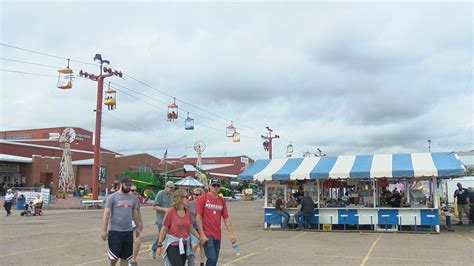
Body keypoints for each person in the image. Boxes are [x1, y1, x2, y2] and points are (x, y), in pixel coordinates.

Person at [100, 177, 143, 266]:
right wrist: (104, 230)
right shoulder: (112, 197)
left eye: (130, 185)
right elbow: (106, 213)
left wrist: (138, 227)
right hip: (115, 231)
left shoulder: (133, 198)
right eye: (127, 185)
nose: (128, 187)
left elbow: (135, 213)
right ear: (121, 184)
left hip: (128, 231)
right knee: (114, 257)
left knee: (125, 257)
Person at [196, 178, 236, 266]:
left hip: (217, 235)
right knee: (212, 258)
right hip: (207, 234)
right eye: (214, 185)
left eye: (218, 185)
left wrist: (231, 233)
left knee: (215, 260)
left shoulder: (221, 201)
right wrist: (202, 234)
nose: (216, 187)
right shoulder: (203, 199)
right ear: (209, 186)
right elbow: (198, 217)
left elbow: (226, 217)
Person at [156, 189, 200, 266]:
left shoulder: (188, 212)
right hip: (172, 244)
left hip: (184, 244)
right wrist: (159, 245)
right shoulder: (170, 212)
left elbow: (190, 228)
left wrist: (200, 237)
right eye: (186, 197)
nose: (188, 198)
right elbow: (164, 229)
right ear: (180, 198)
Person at [150, 181, 175, 258]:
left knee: (167, 235)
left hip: (169, 219)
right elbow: (154, 206)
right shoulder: (160, 194)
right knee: (163, 235)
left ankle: (158, 249)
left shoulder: (172, 195)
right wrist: (165, 209)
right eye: (170, 188)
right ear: (166, 186)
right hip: (161, 219)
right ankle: (154, 248)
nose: (171, 190)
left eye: (172, 188)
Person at [188, 187, 205, 266]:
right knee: (194, 245)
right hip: (193, 227)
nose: (194, 196)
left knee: (202, 245)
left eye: (197, 194)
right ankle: (190, 259)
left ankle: (202, 262)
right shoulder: (189, 204)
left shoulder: (204, 204)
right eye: (193, 194)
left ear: (201, 195)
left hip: (202, 226)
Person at [129, 186, 141, 266]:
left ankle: (133, 260)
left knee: (137, 240)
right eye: (132, 190)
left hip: (133, 222)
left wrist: (140, 223)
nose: (134, 192)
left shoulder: (136, 200)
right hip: (123, 223)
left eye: (135, 190)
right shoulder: (123, 198)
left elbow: (138, 211)